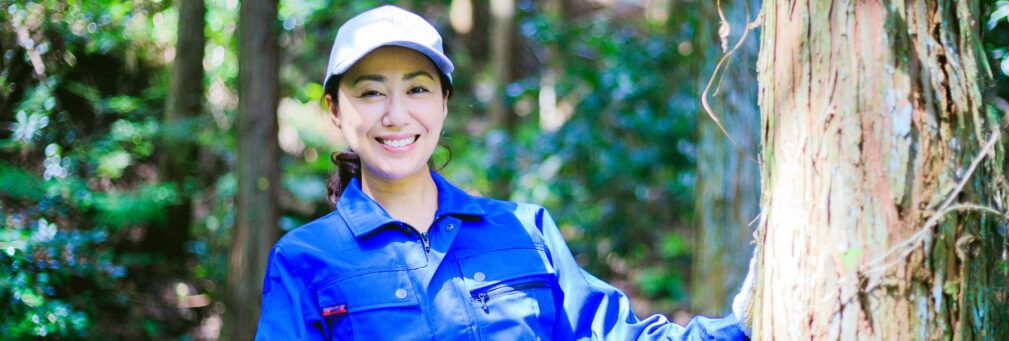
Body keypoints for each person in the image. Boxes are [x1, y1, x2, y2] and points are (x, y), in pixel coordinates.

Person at [255, 5, 754, 340]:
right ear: (335, 111)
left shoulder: (525, 230)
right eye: (369, 92)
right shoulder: (304, 261)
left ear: (445, 103)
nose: (396, 114)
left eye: (418, 89)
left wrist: (746, 318)